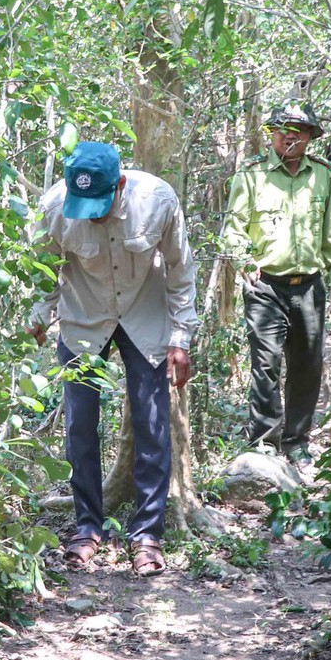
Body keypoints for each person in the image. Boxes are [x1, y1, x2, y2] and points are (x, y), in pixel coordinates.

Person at [30, 140, 197, 577]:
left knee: (152, 423)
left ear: (120, 184)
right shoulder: (52, 209)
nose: (94, 213)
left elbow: (181, 271)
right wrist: (38, 315)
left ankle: (147, 534)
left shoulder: (157, 200)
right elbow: (43, 272)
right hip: (83, 319)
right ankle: (87, 527)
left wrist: (181, 337)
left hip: (145, 316)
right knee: (79, 424)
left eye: (101, 203)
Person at [222, 101, 331, 463]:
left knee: (308, 364)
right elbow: (233, 228)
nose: (290, 138)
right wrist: (243, 258)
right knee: (266, 363)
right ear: (272, 134)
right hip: (266, 284)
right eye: (283, 131)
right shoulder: (251, 174)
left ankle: (297, 442)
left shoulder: (323, 175)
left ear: (311, 137)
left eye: (299, 132)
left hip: (309, 285)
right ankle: (264, 439)